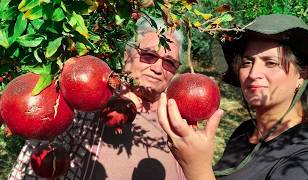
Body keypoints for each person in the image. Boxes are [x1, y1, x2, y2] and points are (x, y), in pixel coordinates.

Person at [8, 16, 186, 180]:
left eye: (169, 62)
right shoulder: (80, 105)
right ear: (127, 54)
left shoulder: (181, 119)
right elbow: (28, 171)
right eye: (149, 55)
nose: (158, 68)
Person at [157, 14, 308, 180]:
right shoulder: (245, 132)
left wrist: (197, 170)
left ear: (302, 75)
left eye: (271, 63)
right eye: (247, 62)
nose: (253, 74)